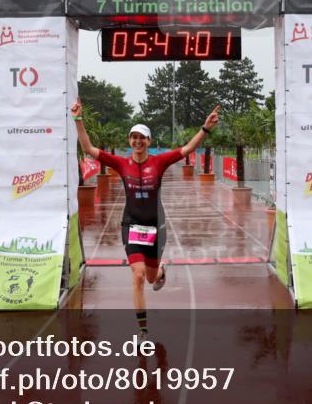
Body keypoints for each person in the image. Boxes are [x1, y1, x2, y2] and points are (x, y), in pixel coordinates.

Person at [72, 99, 219, 336]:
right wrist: (78, 119)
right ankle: (143, 331)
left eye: (142, 137)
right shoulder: (121, 163)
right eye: (134, 137)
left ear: (149, 142)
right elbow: (88, 149)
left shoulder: (159, 162)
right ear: (129, 142)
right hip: (131, 225)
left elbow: (188, 149)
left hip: (155, 228)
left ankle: (160, 271)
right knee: (138, 276)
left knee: (151, 278)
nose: (138, 141)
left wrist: (205, 128)